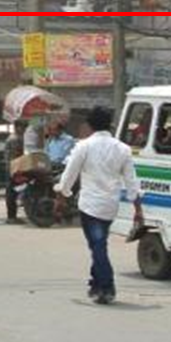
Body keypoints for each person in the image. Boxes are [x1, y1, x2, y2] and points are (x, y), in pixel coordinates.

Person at [54, 106, 141, 305]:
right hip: (110, 205)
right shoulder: (122, 148)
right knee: (98, 243)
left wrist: (61, 196)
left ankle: (107, 286)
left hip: (90, 205)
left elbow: (69, 174)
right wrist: (138, 209)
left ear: (90, 125)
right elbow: (132, 182)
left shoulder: (84, 146)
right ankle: (95, 283)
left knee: (98, 245)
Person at [4, 120, 29, 223]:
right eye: (23, 128)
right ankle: (11, 217)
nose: (25, 130)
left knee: (12, 192)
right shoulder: (16, 139)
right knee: (12, 193)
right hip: (15, 168)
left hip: (12, 167)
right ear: (18, 127)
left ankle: (11, 216)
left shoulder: (13, 138)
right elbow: (17, 156)